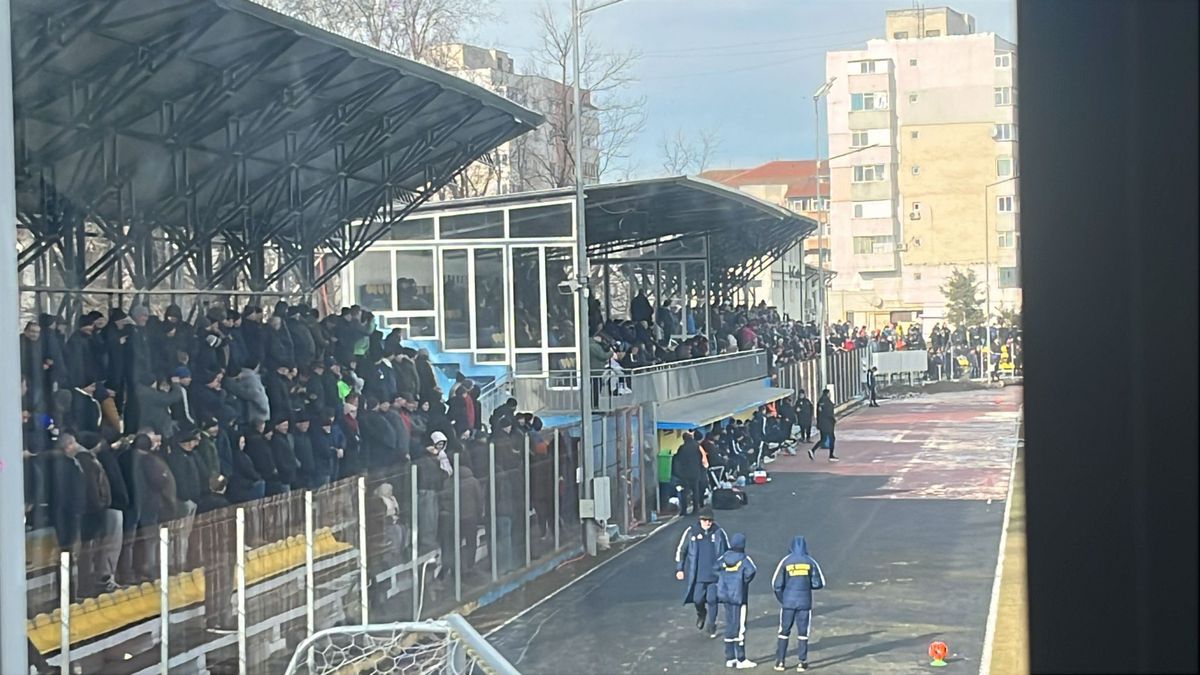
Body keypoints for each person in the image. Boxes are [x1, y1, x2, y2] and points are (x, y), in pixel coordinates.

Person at [771, 536, 826, 672]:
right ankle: (802, 662)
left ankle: (780, 662)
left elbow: (776, 584)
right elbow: (819, 583)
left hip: (788, 602)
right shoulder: (810, 561)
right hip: (804, 602)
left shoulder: (786, 561)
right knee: (803, 632)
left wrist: (783, 599)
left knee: (784, 631)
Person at [674, 507, 729, 638]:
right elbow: (682, 550)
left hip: (715, 575)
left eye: (710, 520)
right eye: (705, 520)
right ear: (700, 520)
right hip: (698, 575)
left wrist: (728, 570)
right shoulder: (691, 532)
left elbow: (728, 552)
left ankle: (712, 625)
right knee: (698, 599)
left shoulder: (719, 532)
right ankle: (701, 613)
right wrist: (679, 568)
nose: (708, 523)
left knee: (712, 599)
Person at [715, 532, 758, 669]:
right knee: (740, 627)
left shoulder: (724, 557)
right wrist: (742, 582)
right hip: (739, 597)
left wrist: (724, 579)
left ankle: (730, 658)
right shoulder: (744, 559)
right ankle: (741, 659)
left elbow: (715, 568)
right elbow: (751, 571)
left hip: (725, 596)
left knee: (729, 625)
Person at [807, 389, 838, 462]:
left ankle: (812, 450)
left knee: (823, 439)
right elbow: (829, 413)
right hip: (828, 424)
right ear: (828, 394)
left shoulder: (820, 402)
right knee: (832, 438)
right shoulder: (828, 402)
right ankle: (831, 455)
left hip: (821, 423)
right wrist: (834, 420)